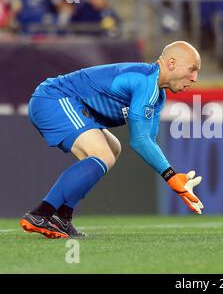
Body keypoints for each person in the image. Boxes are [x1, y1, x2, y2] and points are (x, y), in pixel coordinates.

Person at [20, 41, 204, 239]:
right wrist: (171, 176)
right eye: (192, 70)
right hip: (53, 98)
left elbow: (148, 139)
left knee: (112, 148)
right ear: (172, 63)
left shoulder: (157, 94)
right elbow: (139, 140)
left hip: (67, 103)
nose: (194, 78)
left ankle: (62, 218)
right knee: (102, 154)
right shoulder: (146, 82)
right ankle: (41, 213)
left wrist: (173, 175)